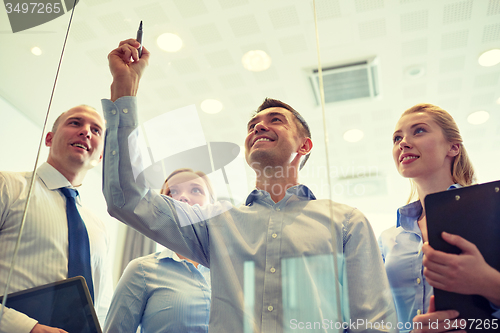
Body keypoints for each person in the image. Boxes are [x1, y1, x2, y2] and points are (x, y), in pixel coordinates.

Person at [101, 38, 397, 332]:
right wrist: (124, 89)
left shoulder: (346, 223)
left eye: (276, 120)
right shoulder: (215, 224)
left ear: (304, 145)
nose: (258, 126)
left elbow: (373, 324)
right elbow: (127, 199)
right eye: (252, 125)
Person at [379, 103, 500, 333]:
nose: (402, 143)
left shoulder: (492, 213)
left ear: (453, 147)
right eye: (396, 138)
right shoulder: (387, 239)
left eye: (419, 130)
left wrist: (487, 282)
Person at [0, 105, 113, 333]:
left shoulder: (98, 228)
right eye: (75, 123)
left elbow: (101, 306)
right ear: (49, 138)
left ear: (100, 156)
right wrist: (26, 328)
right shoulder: (7, 187)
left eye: (96, 130)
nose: (86, 132)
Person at [104, 168, 213, 333]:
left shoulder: (234, 271)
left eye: (196, 190)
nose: (182, 196)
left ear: (212, 205)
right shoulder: (141, 271)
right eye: (172, 191)